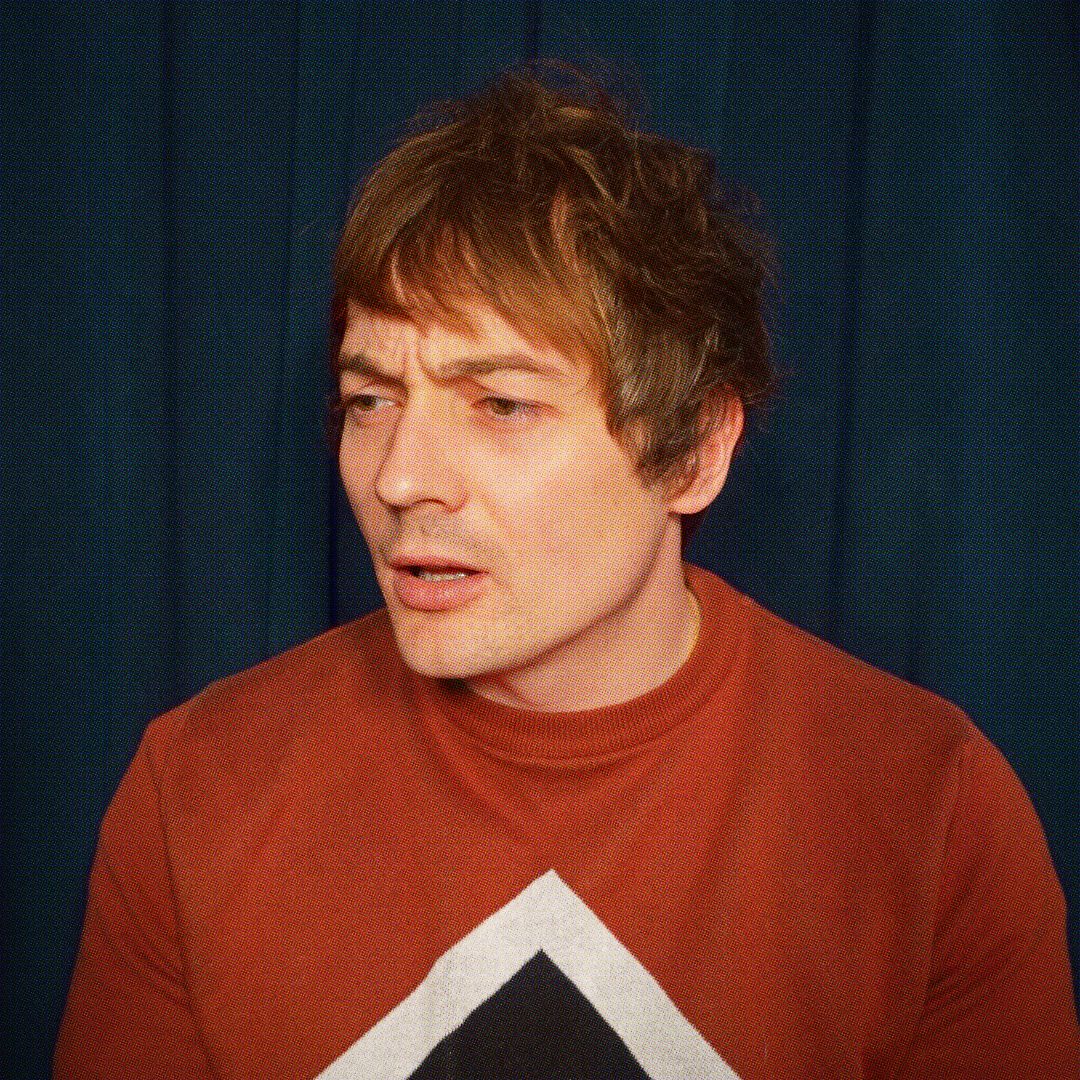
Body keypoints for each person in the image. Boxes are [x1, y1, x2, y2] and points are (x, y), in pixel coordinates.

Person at [54, 59, 1078, 1079]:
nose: (401, 478)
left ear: (693, 450)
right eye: (371, 401)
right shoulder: (199, 791)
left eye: (500, 404)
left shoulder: (930, 813)